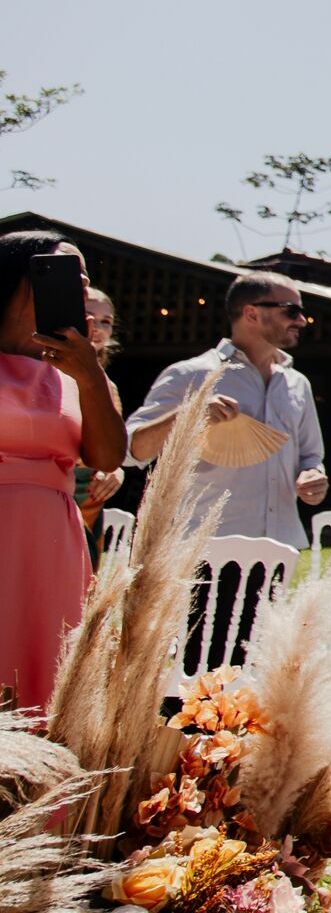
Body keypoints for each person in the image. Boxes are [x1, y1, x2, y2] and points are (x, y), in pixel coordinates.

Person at [0, 232, 127, 710]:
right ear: (25, 278)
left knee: (48, 670)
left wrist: (89, 373)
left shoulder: (75, 370)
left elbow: (107, 456)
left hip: (52, 541)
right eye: (70, 273)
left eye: (86, 277)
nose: (83, 285)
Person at [128, 271, 329, 547]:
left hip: (282, 546)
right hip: (205, 547)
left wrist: (313, 475)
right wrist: (190, 415)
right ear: (251, 313)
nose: (301, 320)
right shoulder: (191, 375)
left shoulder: (298, 383)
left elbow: (311, 455)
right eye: (291, 311)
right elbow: (131, 450)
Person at [74, 285, 127, 564]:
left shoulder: (110, 388)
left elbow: (111, 446)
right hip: (50, 489)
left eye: (106, 321)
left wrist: (114, 470)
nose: (97, 327)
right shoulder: (43, 369)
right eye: (88, 316)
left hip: (90, 499)